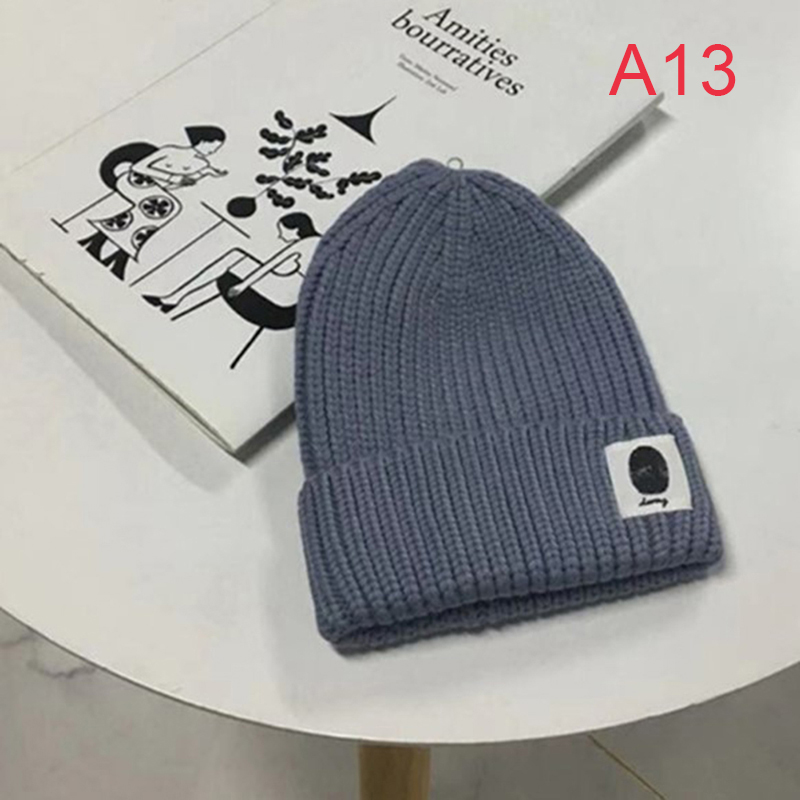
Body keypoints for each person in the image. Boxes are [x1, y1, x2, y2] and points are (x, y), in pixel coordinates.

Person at [143, 212, 321, 314]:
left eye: (283, 231)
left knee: (234, 257)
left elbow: (271, 266)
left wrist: (243, 285)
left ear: (296, 229)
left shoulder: (304, 244)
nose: (281, 236)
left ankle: (175, 297)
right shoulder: (319, 242)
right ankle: (175, 298)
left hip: (284, 295)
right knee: (235, 258)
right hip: (296, 297)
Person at [128, 126, 228, 189]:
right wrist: (173, 178)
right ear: (202, 142)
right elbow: (138, 167)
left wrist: (210, 172)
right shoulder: (169, 150)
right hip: (141, 186)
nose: (214, 151)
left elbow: (188, 180)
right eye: (213, 146)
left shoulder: (203, 164)